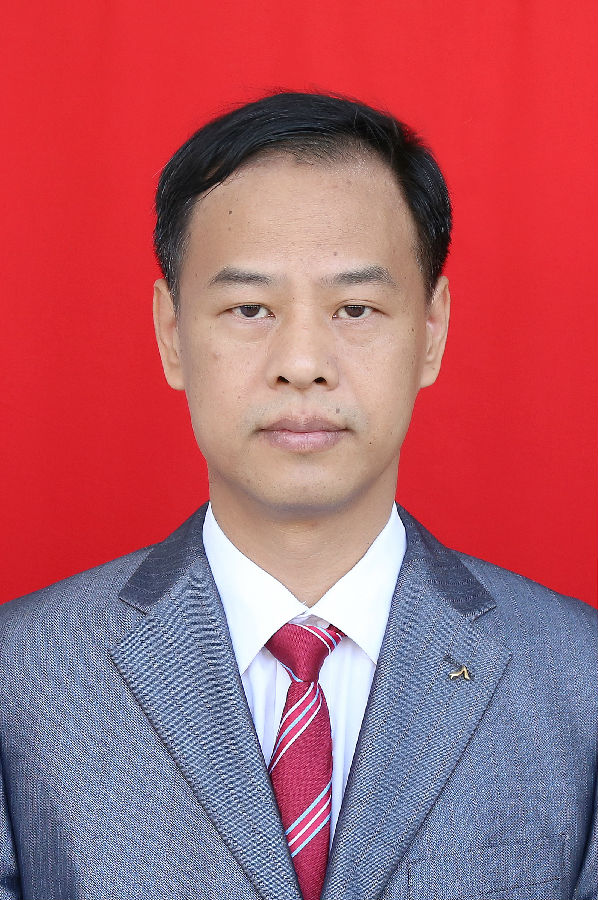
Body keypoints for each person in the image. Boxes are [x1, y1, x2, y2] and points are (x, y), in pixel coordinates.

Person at [0, 92, 595, 900]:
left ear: (431, 330)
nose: (303, 363)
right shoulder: (21, 677)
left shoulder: (578, 676)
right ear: (173, 333)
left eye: (355, 308)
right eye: (250, 308)